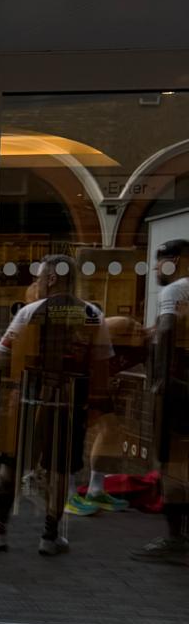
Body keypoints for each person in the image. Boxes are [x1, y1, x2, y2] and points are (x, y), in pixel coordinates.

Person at [0, 255, 112, 556]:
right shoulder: (93, 313)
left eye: (40, 277)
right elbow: (103, 365)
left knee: (12, 464)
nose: (37, 283)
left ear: (52, 279)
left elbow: (3, 355)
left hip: (29, 400)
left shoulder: (31, 311)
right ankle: (50, 536)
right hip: (71, 405)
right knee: (60, 470)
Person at [135, 238, 189, 564]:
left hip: (178, 391)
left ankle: (174, 537)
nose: (156, 268)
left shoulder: (175, 291)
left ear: (177, 260)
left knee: (172, 462)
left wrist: (158, 382)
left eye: (160, 261)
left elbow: (168, 333)